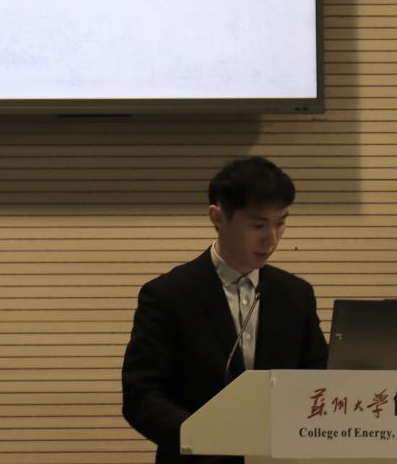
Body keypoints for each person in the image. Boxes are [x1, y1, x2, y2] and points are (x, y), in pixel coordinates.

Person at [121, 156, 328, 463]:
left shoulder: (295, 295)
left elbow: (318, 380)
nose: (271, 239)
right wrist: (204, 437)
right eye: (258, 225)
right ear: (217, 217)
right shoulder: (168, 295)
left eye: (281, 223)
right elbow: (142, 395)